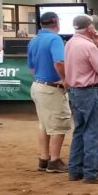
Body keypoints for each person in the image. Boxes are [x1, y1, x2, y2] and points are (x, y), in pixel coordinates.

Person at [63, 14, 98, 184]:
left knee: (79, 131)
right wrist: (97, 44)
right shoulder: (88, 46)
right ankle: (92, 172)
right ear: (90, 28)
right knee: (94, 132)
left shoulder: (70, 43)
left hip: (75, 91)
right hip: (90, 91)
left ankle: (75, 170)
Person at [27, 12, 70, 173]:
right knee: (59, 124)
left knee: (44, 124)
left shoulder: (34, 40)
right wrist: (65, 79)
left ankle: (44, 159)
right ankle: (55, 160)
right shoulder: (55, 39)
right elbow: (59, 61)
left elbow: (31, 68)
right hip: (51, 88)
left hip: (38, 85)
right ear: (56, 23)